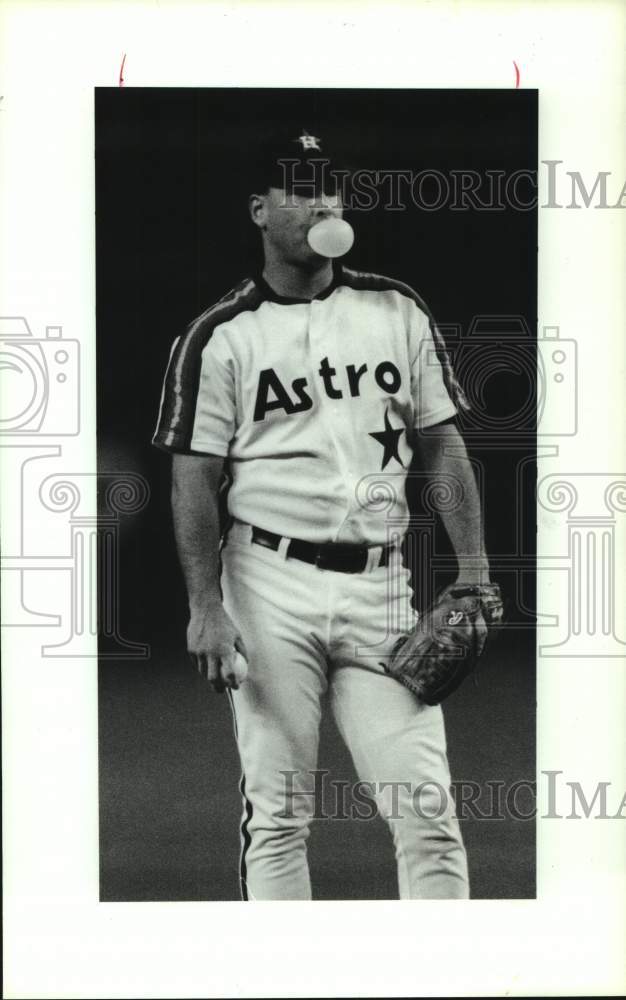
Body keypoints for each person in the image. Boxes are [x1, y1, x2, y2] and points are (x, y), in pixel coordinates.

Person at [152, 128, 491, 900]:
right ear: (259, 209)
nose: (320, 203)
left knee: (428, 813)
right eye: (300, 189)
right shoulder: (220, 335)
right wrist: (206, 606)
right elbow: (194, 480)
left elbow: (443, 447)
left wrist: (473, 571)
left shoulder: (394, 307)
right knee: (278, 814)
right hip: (268, 585)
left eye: (329, 189)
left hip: (381, 585)